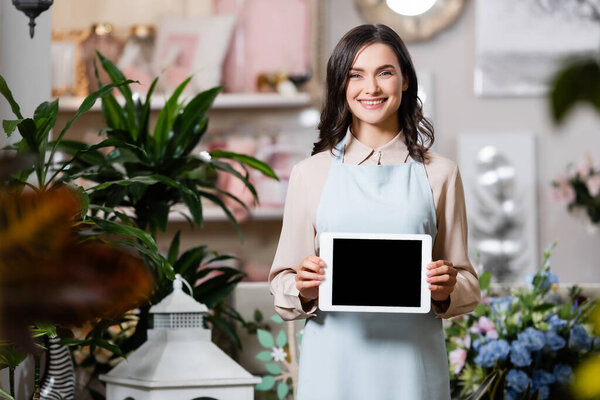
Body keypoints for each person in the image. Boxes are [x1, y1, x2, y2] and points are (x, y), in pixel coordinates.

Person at [269, 24, 480, 400]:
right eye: (355, 75)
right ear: (340, 86)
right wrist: (302, 287)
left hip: (412, 369)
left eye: (385, 72)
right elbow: (282, 283)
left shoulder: (441, 173)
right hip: (333, 370)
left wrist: (446, 288)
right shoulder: (309, 174)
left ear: (405, 82)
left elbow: (466, 282)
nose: (371, 88)